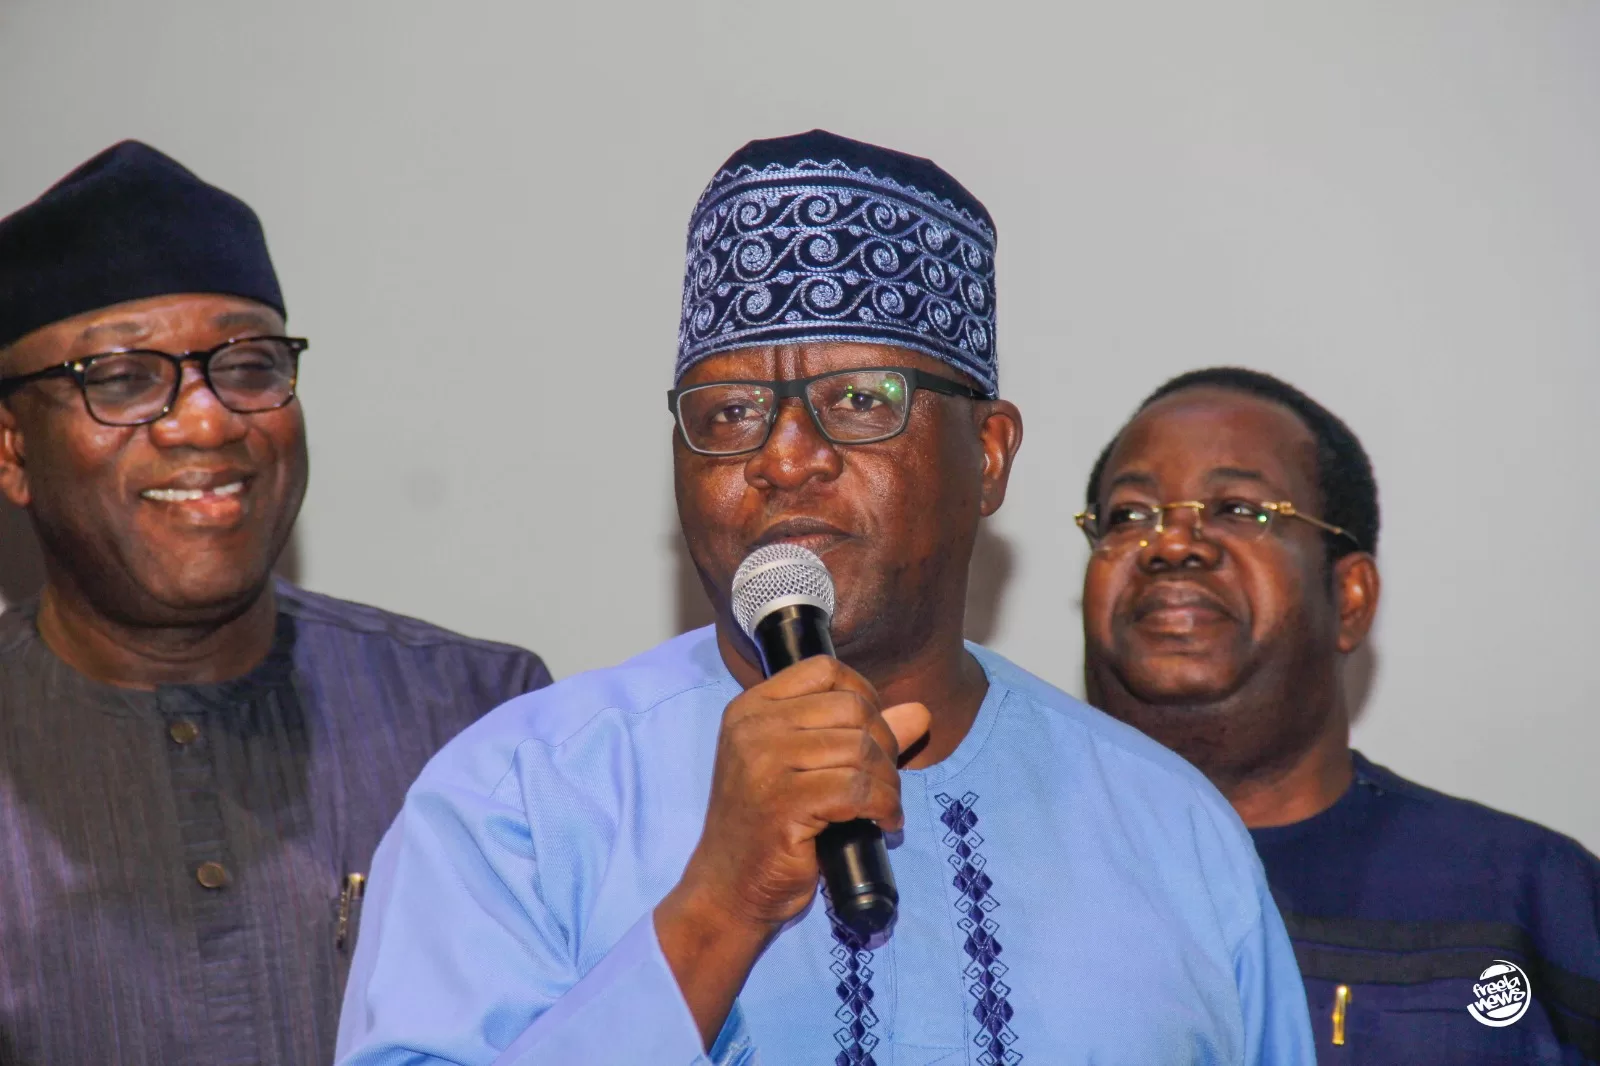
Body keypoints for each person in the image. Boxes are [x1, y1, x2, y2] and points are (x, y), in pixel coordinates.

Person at [335, 130, 1314, 1065]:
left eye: (857, 400)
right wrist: (717, 907)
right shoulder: (522, 800)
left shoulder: (1172, 833)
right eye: (730, 412)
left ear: (986, 454)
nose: (784, 457)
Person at [0, 141, 552, 1066]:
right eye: (124, 378)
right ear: (12, 448)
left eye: (250, 365)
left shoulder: (477, 717)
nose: (209, 419)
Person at [1078, 367, 1600, 1065]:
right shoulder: (994, 874)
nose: (1173, 543)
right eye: (1129, 516)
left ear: (1350, 598)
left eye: (1238, 509)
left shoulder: (1524, 895)